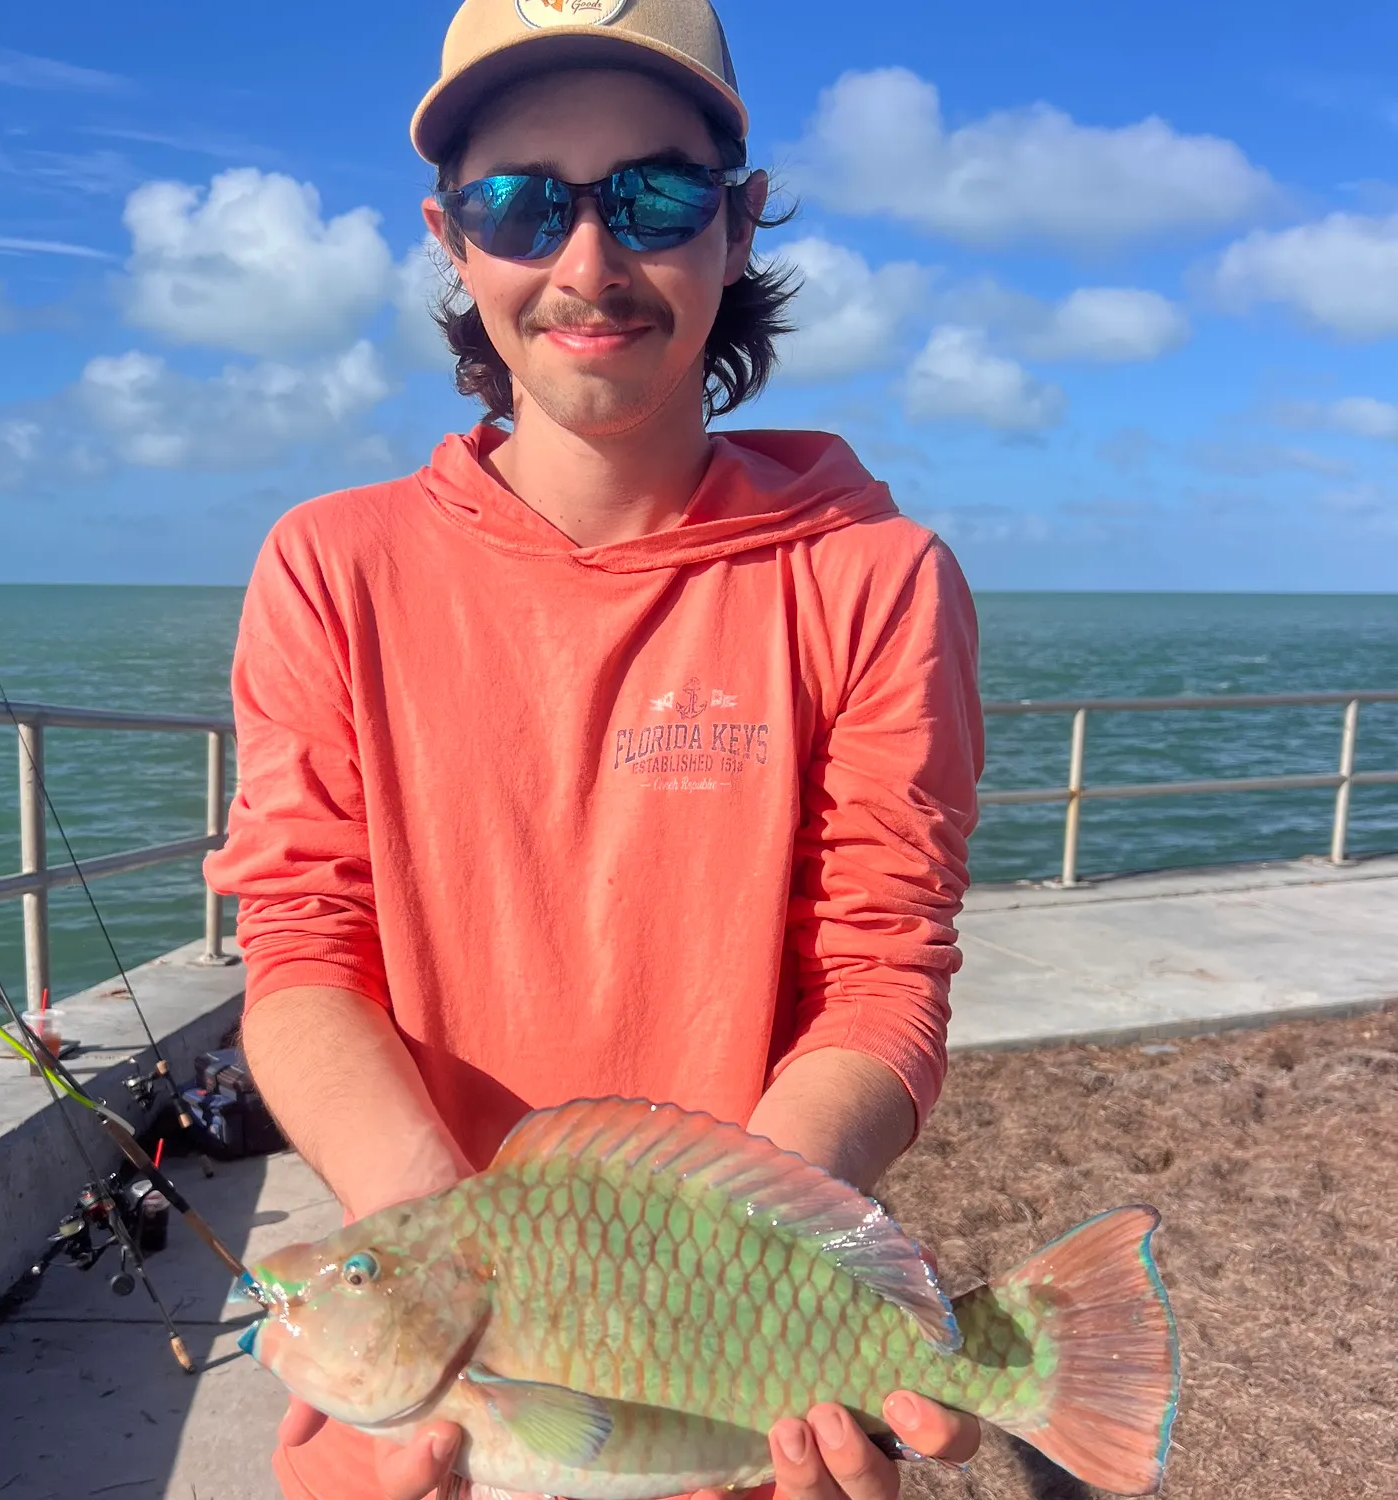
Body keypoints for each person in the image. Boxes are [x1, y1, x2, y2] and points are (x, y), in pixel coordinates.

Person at [205, 3, 986, 1499]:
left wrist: (748, 1263)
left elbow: (882, 971)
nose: (586, 263)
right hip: (433, 1391)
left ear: (738, 219)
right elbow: (303, 948)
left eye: (653, 195)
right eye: (521, 202)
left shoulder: (876, 577)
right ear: (450, 234)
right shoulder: (327, 567)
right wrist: (453, 1278)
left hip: (725, 1413)